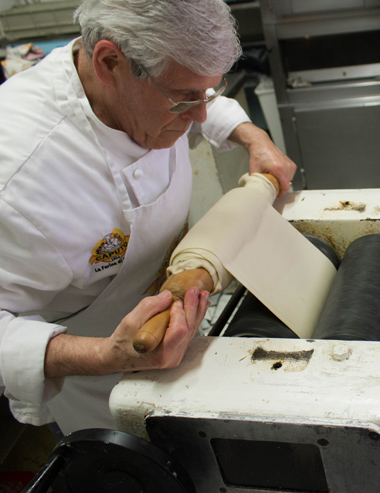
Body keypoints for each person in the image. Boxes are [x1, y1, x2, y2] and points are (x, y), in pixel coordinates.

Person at [0, 0, 296, 435]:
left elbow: (198, 98)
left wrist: (250, 135)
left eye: (209, 92)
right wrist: (108, 355)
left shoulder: (144, 78)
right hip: (102, 381)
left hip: (185, 319)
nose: (198, 114)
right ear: (109, 61)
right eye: (183, 100)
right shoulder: (17, 175)